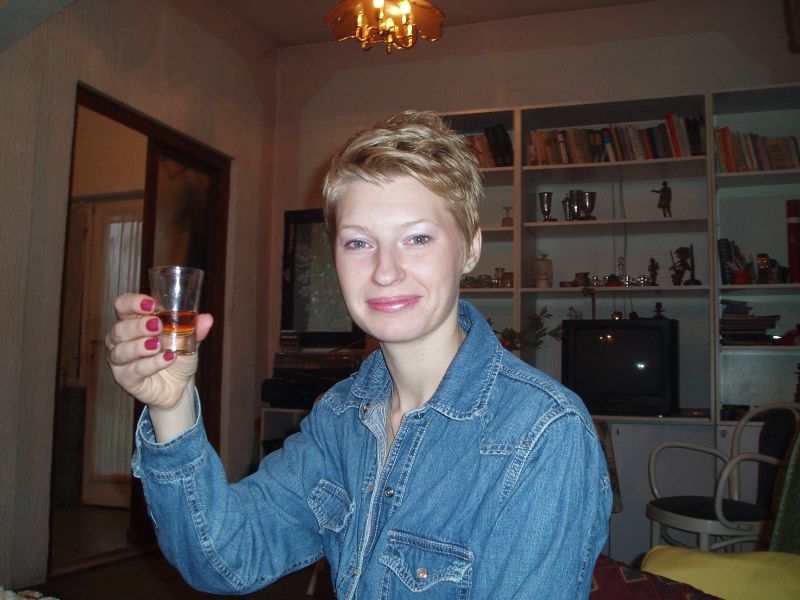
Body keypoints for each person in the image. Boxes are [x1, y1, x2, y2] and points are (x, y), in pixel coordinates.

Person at [106, 111, 611, 598]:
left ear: (470, 248)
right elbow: (227, 557)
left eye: (417, 238)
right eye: (358, 243)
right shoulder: (341, 416)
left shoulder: (542, 433)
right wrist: (172, 406)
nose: (385, 271)